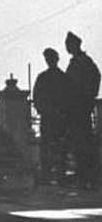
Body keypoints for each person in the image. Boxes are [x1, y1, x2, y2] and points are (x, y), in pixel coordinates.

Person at [64, 31, 101, 189]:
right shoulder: (78, 62)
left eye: (69, 45)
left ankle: (88, 177)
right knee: (79, 144)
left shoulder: (83, 62)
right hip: (75, 109)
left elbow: (95, 78)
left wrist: (88, 98)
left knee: (83, 145)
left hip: (80, 109)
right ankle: (85, 177)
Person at [32, 48, 68, 184]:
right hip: (56, 117)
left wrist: (44, 110)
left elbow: (37, 97)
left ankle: (51, 175)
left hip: (53, 117)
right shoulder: (63, 77)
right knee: (56, 147)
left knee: (51, 147)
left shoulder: (45, 77)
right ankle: (57, 175)